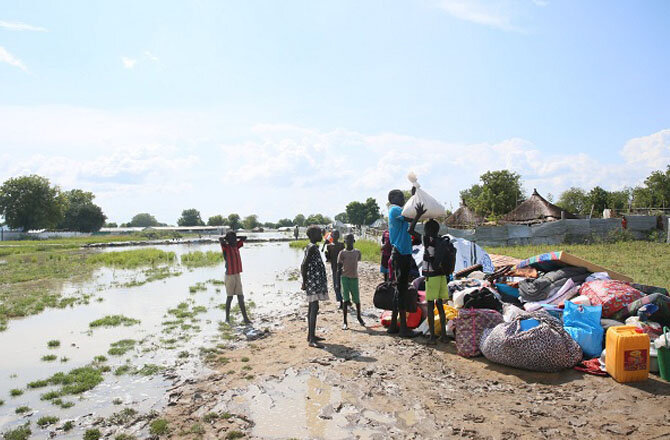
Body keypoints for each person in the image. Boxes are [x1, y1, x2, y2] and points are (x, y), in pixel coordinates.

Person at [387, 189, 425, 338]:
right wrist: (419, 214)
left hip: (400, 253)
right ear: (392, 198)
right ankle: (403, 328)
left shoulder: (395, 211)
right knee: (401, 291)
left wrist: (414, 197)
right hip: (402, 253)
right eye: (401, 196)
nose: (403, 198)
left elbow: (409, 224)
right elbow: (410, 219)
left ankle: (393, 325)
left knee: (399, 290)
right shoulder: (395, 209)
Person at [301, 225, 329, 348]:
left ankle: (310, 335)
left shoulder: (313, 247)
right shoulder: (311, 247)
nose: (321, 235)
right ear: (312, 235)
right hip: (312, 281)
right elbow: (303, 265)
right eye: (319, 233)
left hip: (315, 280)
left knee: (313, 308)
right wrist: (304, 281)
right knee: (314, 308)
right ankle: (312, 339)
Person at [422, 219, 449, 344]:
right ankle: (443, 335)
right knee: (440, 305)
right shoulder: (441, 240)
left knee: (430, 305)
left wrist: (419, 216)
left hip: (431, 276)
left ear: (427, 231)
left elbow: (410, 231)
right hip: (442, 275)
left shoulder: (428, 241)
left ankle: (432, 337)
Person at [219, 231, 251, 324]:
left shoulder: (236, 246)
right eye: (232, 239)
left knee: (241, 296)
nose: (234, 240)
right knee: (230, 297)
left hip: (237, 274)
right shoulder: (226, 247)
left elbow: (244, 237)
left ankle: (245, 318)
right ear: (228, 240)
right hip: (229, 276)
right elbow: (220, 239)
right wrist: (227, 238)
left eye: (235, 238)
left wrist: (235, 237)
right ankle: (227, 318)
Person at [338, 234, 365, 329]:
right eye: (347, 240)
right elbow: (339, 268)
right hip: (344, 278)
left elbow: (357, 261)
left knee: (357, 299)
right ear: (344, 242)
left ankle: (359, 317)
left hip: (354, 278)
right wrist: (338, 283)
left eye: (351, 239)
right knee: (346, 300)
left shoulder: (357, 252)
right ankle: (345, 321)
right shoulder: (342, 253)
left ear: (354, 241)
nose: (349, 241)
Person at [324, 230, 345, 309]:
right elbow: (329, 259)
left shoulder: (341, 245)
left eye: (337, 234)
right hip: (334, 268)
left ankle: (344, 301)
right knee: (336, 286)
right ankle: (340, 301)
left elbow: (344, 255)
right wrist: (327, 256)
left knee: (343, 285)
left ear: (339, 236)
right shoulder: (329, 246)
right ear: (331, 236)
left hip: (342, 267)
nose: (335, 236)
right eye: (334, 234)